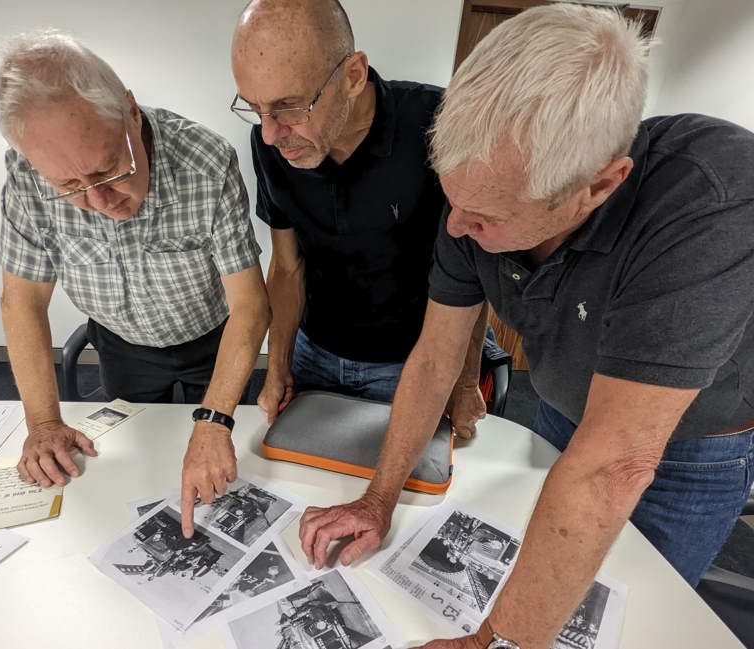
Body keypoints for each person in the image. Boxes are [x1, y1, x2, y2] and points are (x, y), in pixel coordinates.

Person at [298, 5, 754, 649]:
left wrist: (491, 644)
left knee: (628, 623)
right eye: (453, 200)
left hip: (686, 453)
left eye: (484, 217)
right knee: (534, 579)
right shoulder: (479, 197)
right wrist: (378, 499)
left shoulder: (710, 201)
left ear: (599, 186)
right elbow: (434, 356)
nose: (456, 229)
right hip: (563, 417)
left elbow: (614, 466)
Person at [0, 31, 269, 538]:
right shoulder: (28, 175)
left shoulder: (206, 162)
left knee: (226, 459)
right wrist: (44, 423)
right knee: (139, 467)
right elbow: (22, 301)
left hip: (215, 340)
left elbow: (251, 305)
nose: (100, 204)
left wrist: (214, 421)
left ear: (131, 113)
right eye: (70, 188)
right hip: (120, 347)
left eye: (108, 172)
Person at [231, 0, 496, 437]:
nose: (269, 132)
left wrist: (464, 379)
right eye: (255, 108)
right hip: (312, 352)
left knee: (396, 493)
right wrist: (276, 364)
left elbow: (471, 273)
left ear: (352, 76)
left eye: (289, 106)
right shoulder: (273, 143)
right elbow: (287, 265)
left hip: (409, 362)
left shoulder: (438, 125)